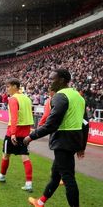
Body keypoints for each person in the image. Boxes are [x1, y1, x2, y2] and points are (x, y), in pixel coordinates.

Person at [24, 69, 88, 207]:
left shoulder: (60, 96)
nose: (49, 81)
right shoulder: (79, 97)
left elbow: (51, 125)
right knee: (55, 175)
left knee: (68, 178)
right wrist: (82, 146)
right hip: (73, 141)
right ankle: (40, 202)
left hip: (63, 142)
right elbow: (85, 123)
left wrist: (31, 136)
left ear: (62, 80)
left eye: (52, 79)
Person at [0, 78, 34, 192]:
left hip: (13, 131)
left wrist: (13, 133)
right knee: (25, 156)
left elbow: (14, 117)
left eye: (8, 86)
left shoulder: (13, 99)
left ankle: (2, 176)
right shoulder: (27, 98)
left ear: (15, 86)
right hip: (26, 132)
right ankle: (29, 183)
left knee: (6, 154)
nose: (7, 89)